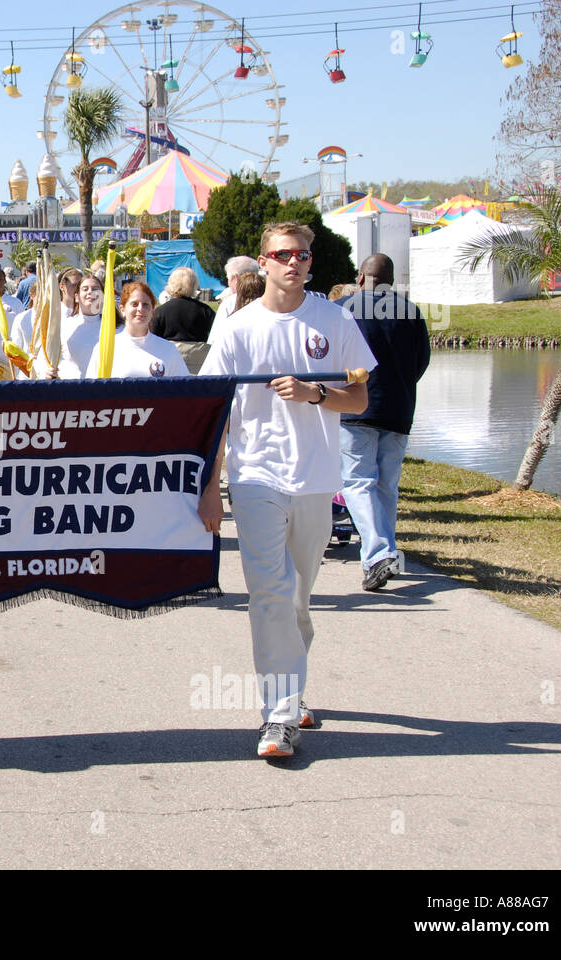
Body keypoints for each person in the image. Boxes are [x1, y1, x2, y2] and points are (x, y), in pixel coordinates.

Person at [198, 222, 375, 760]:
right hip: (255, 478)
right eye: (283, 254)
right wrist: (212, 485)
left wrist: (315, 393)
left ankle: (291, 686)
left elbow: (361, 399)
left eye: (302, 255)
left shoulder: (335, 320)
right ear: (263, 262)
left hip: (316, 478)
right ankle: (278, 719)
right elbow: (214, 410)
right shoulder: (236, 329)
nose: (293, 263)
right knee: (269, 596)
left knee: (297, 600)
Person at [337, 254, 430, 591]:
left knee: (358, 481)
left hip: (356, 407)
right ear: (390, 279)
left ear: (361, 277)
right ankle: (385, 553)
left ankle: (378, 554)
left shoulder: (345, 308)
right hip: (399, 408)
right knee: (387, 485)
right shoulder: (411, 311)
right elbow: (422, 361)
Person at [86, 280, 188, 379]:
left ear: (152, 310)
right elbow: (92, 391)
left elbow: (185, 389)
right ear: (122, 310)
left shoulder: (168, 349)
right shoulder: (104, 349)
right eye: (134, 304)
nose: (140, 309)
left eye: (146, 305)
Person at [150, 266, 214, 374]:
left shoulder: (160, 312)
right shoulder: (206, 311)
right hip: (200, 366)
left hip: (170, 364)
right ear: (194, 285)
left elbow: (153, 339)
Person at [208, 255, 261, 345]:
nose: (228, 283)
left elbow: (215, 341)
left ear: (235, 278)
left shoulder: (229, 303)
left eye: (228, 278)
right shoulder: (268, 300)